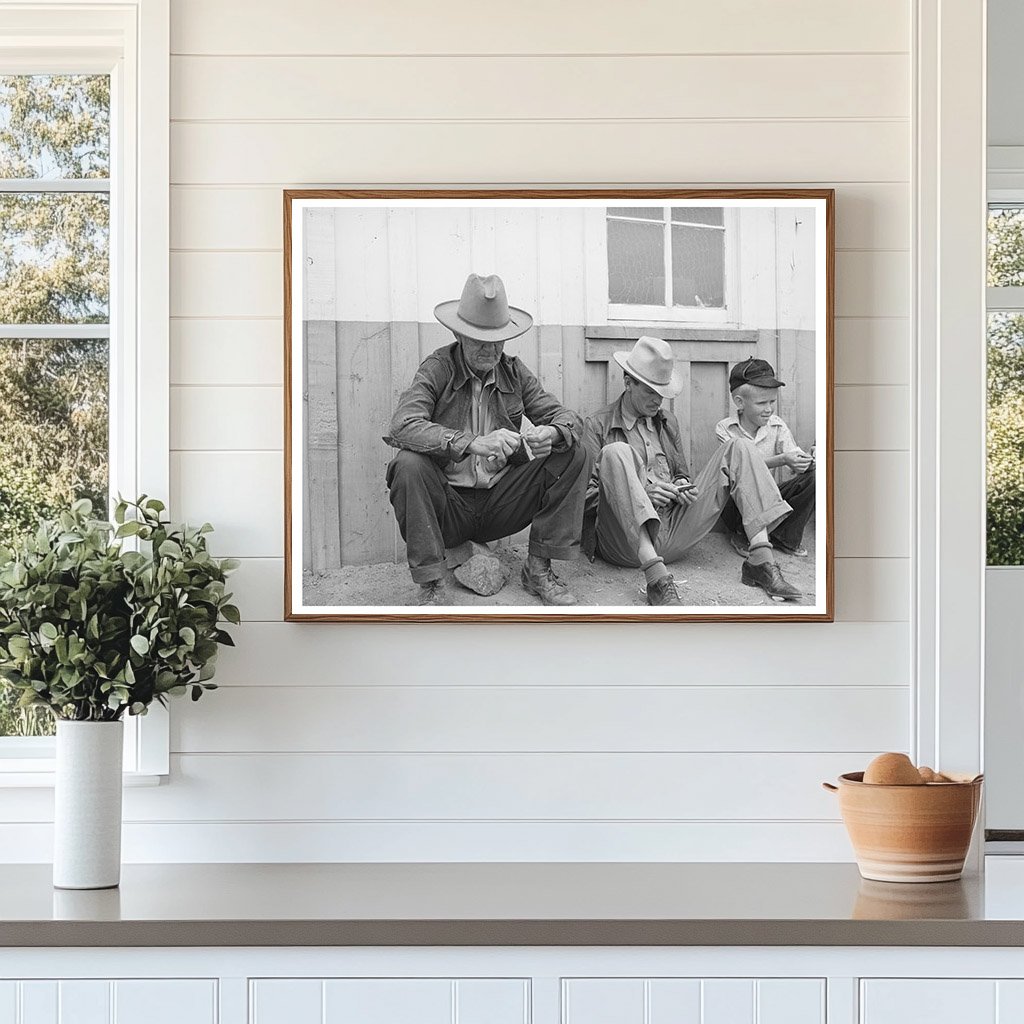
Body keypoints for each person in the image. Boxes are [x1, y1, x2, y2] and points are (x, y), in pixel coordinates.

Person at [384, 273, 589, 607]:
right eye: (480, 339)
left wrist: (549, 433)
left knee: (573, 451)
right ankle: (432, 584)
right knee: (407, 464)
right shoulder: (438, 368)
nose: (490, 349)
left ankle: (538, 569)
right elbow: (402, 426)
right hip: (448, 507)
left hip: (501, 503)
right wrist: (473, 442)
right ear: (459, 335)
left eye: (498, 339)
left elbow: (568, 419)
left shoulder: (514, 371)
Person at [582, 336, 802, 606]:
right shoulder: (596, 425)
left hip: (673, 528)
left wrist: (681, 486)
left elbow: (680, 472)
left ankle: (760, 560)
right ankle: (657, 580)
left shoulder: (667, 421)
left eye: (662, 392)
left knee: (740, 446)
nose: (658, 401)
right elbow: (585, 499)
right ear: (628, 382)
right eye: (650, 391)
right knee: (616, 451)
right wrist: (641, 494)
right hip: (625, 542)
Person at [714, 357, 816, 558]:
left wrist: (806, 462)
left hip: (770, 500)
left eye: (772, 402)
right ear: (739, 402)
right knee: (739, 486)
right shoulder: (725, 429)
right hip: (737, 504)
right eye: (762, 403)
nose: (769, 409)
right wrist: (782, 459)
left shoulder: (776, 425)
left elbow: (793, 456)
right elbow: (737, 471)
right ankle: (742, 534)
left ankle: (783, 537)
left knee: (814, 477)